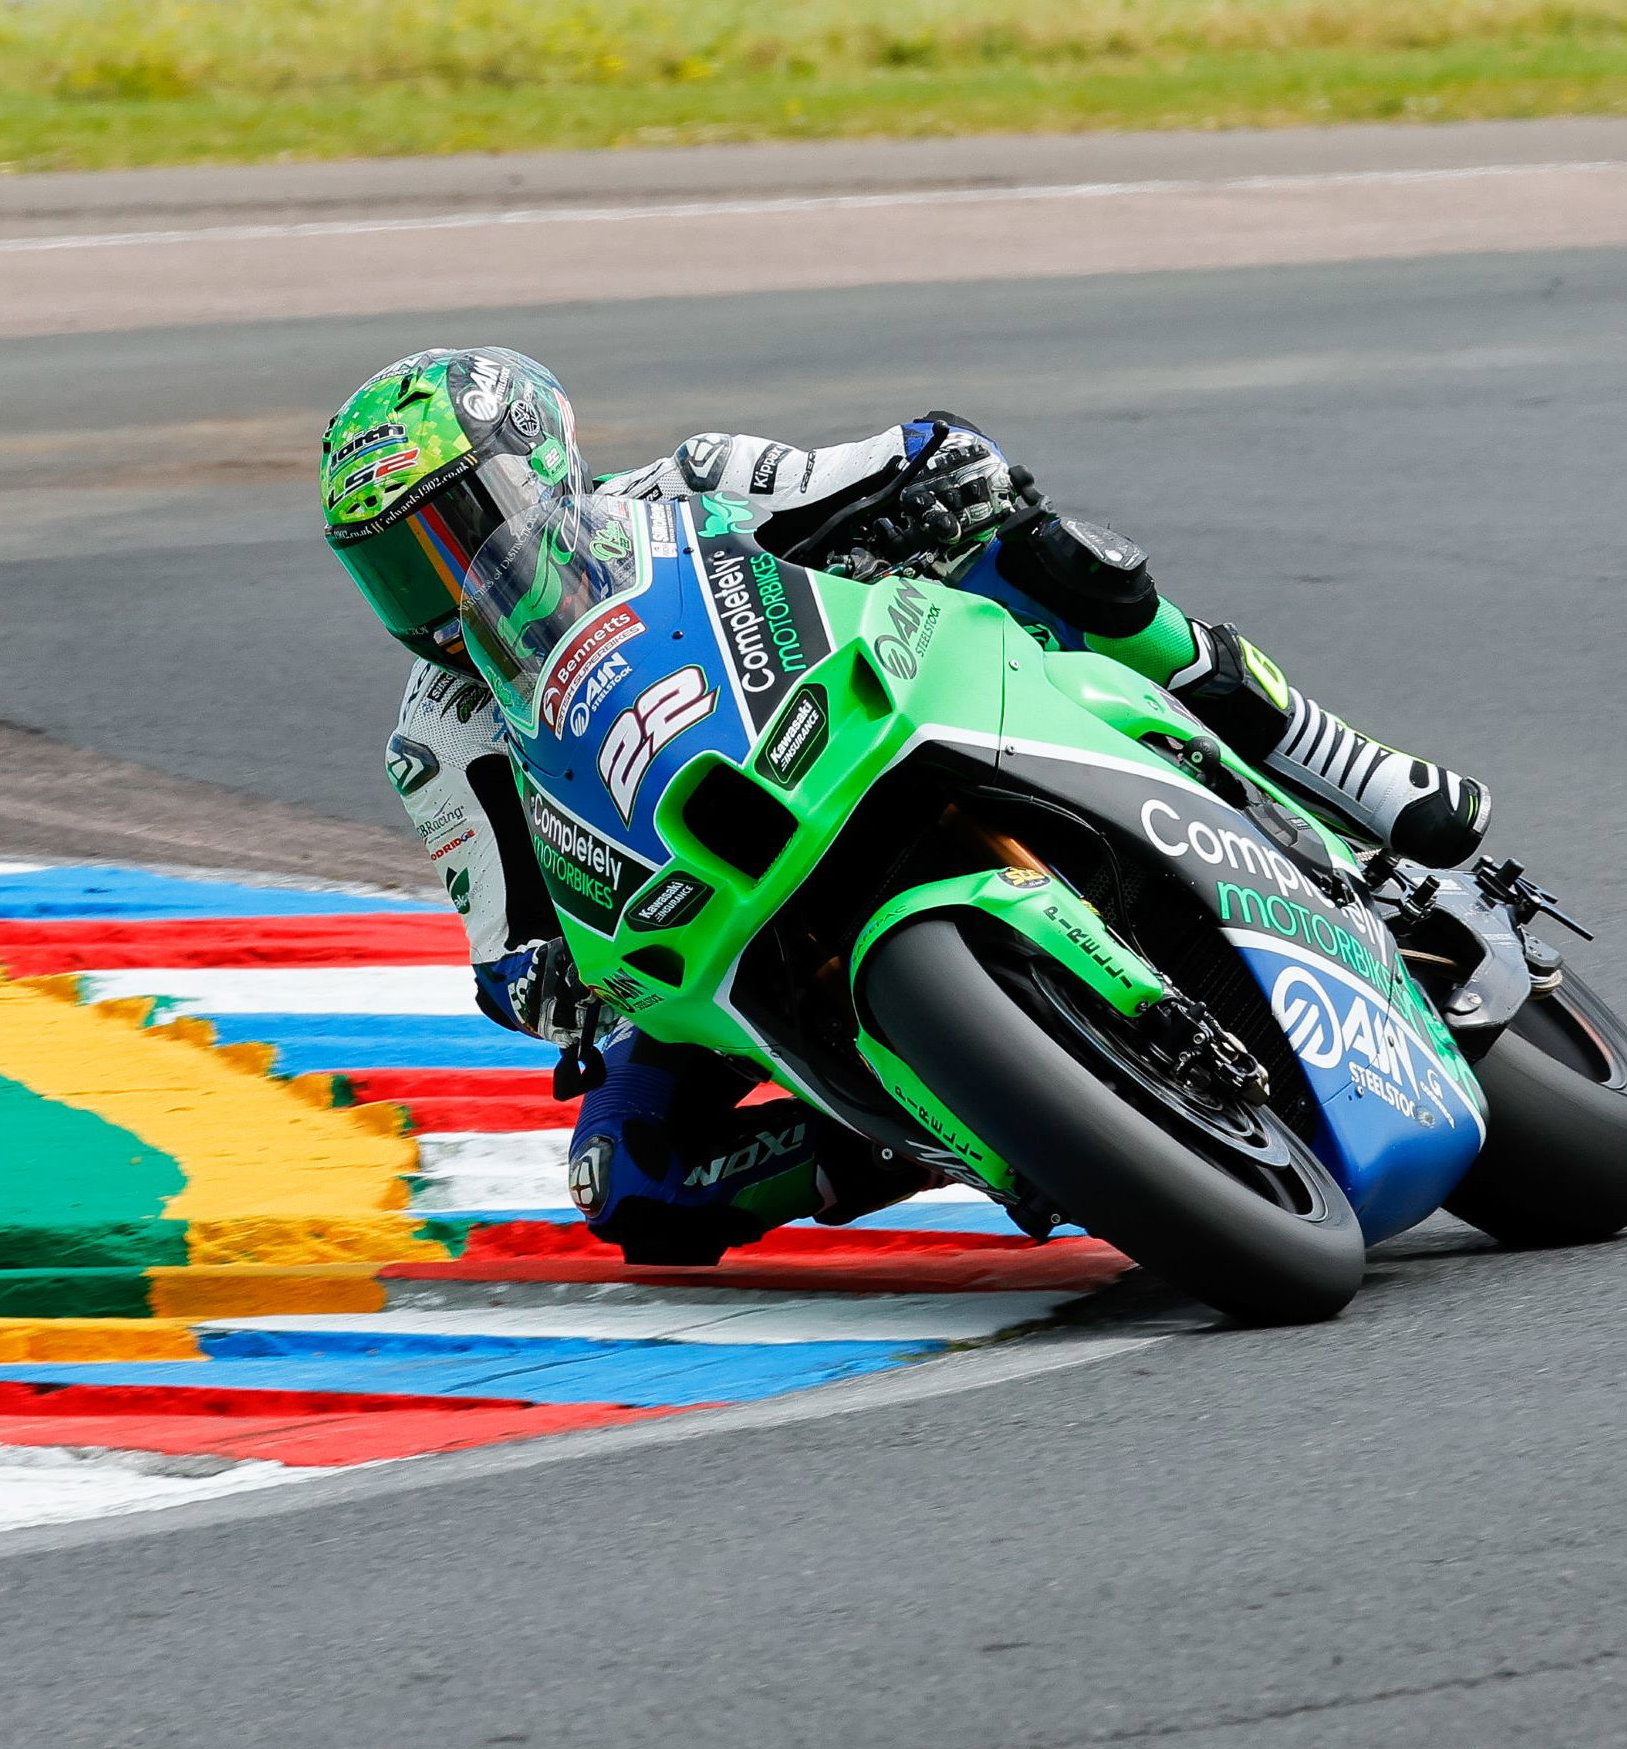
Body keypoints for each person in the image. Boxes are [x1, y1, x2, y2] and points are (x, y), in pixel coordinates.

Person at [322, 346, 1489, 1265]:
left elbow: (893, 458)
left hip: (869, 708)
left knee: (1050, 555)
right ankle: (957, 1122)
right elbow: (499, 932)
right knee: (628, 1179)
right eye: (394, 565)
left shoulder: (687, 485)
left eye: (452, 523)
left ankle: (1346, 768)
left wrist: (932, 474)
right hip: (700, 895)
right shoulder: (435, 738)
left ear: (541, 464)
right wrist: (534, 983)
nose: (438, 579)